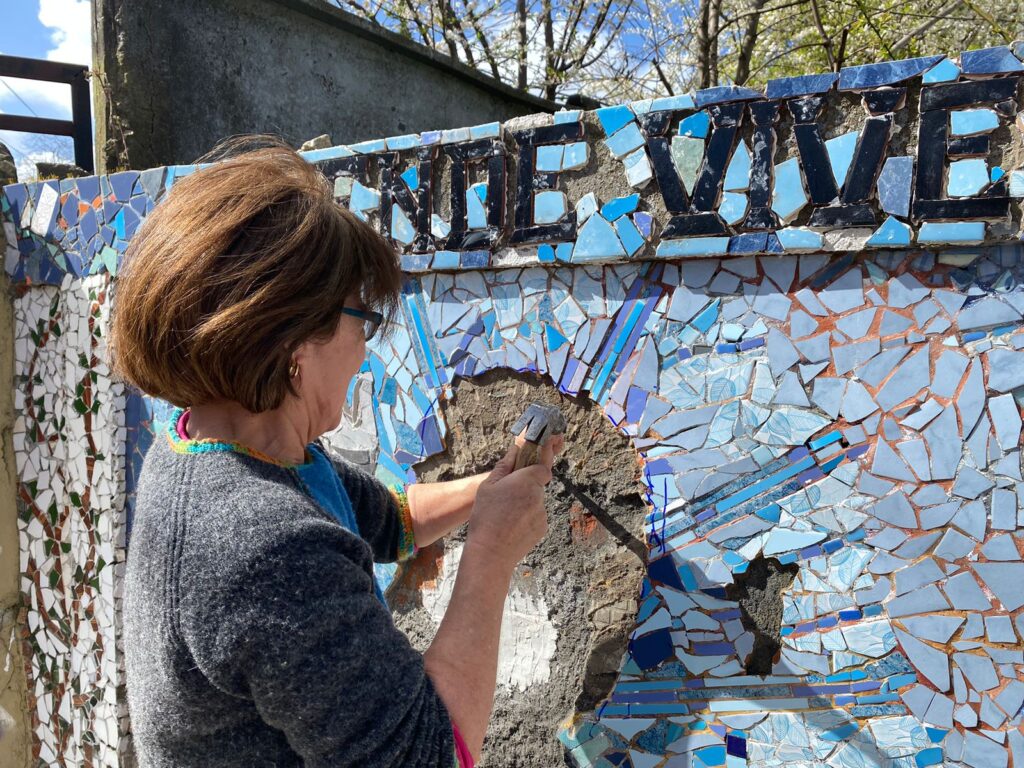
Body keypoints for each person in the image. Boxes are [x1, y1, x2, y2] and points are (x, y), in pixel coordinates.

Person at [112, 137, 562, 767]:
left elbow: (390, 520)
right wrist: (490, 553)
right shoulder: (263, 548)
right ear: (299, 346)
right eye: (361, 320)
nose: (365, 348)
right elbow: (430, 756)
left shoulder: (220, 447)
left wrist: (489, 492)